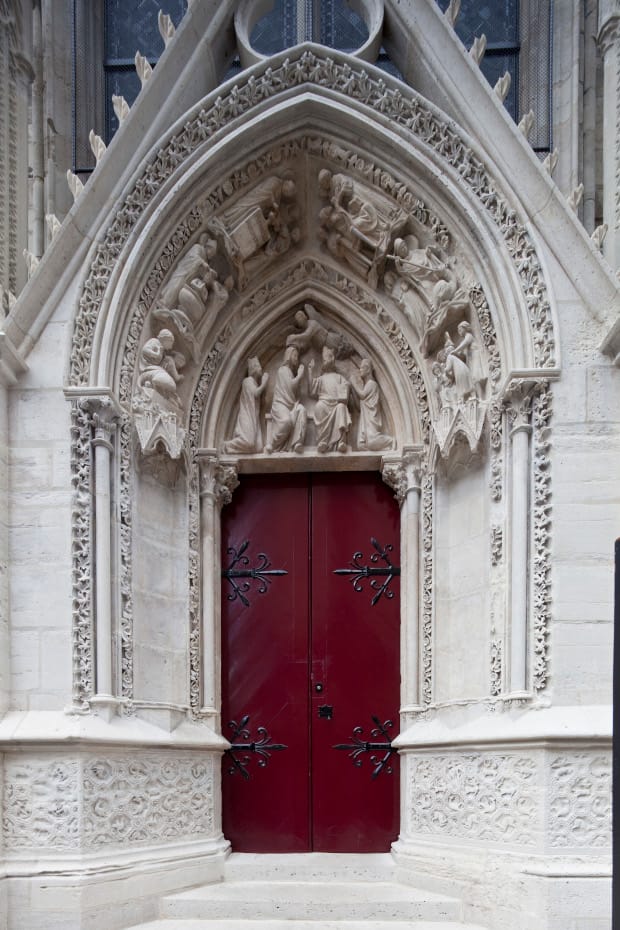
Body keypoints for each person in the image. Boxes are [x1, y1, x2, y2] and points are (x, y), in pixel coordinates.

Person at [309, 346, 351, 453]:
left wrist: (346, 385)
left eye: (325, 359)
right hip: (324, 403)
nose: (324, 361)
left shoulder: (339, 377)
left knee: (342, 407)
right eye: (323, 360)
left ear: (332, 359)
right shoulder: (321, 378)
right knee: (319, 406)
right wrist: (310, 371)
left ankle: (341, 441)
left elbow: (345, 386)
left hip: (336, 405)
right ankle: (323, 441)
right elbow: (311, 389)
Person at [266, 346, 307, 453]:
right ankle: (272, 444)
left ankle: (297, 443)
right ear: (288, 356)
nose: (296, 358)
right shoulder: (282, 370)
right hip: (280, 405)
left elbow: (295, 394)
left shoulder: (290, 373)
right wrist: (299, 376)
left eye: (297, 356)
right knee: (286, 421)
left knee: (302, 409)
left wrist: (298, 379)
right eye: (295, 356)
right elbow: (290, 387)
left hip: (290, 406)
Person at [225, 358, 268, 454]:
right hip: (247, 416)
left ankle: (231, 450)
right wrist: (264, 382)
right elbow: (255, 393)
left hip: (254, 418)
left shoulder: (255, 383)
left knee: (259, 448)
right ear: (254, 369)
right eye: (258, 367)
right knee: (249, 442)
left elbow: (261, 402)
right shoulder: (247, 381)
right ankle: (228, 446)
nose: (261, 369)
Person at [350, 358, 394, 451]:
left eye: (362, 368)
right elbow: (359, 407)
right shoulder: (366, 386)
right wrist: (352, 391)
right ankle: (384, 449)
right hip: (365, 421)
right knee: (361, 446)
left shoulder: (372, 384)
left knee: (371, 442)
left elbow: (362, 395)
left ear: (368, 370)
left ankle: (391, 441)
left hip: (371, 420)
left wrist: (353, 383)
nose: (360, 370)